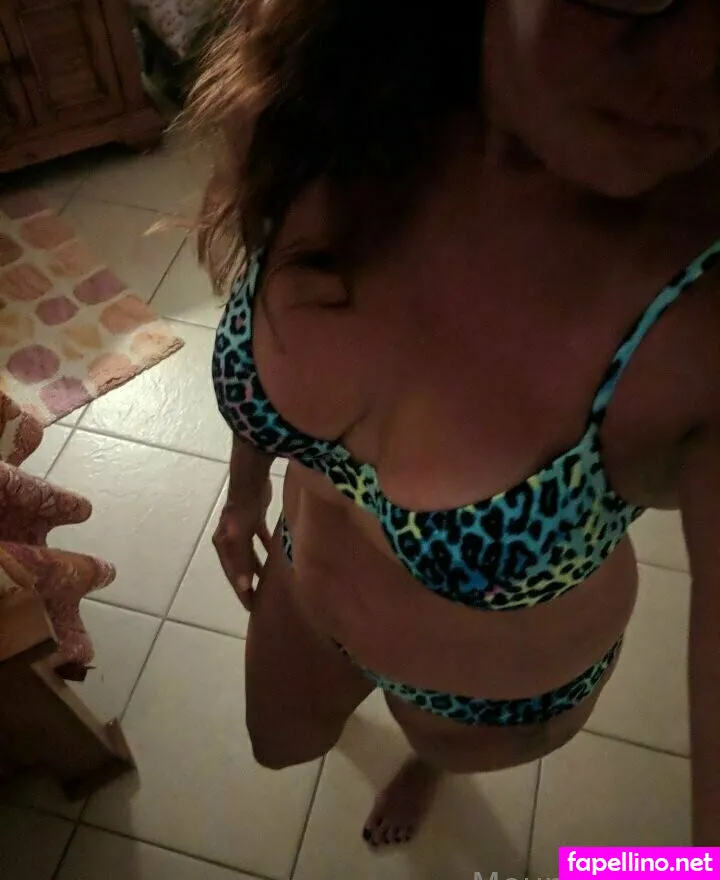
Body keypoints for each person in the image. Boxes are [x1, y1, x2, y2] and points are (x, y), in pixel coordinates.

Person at [190, 0, 720, 848]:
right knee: (275, 744)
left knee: (437, 755)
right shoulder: (312, 101)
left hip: (489, 696)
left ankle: (425, 765)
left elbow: (699, 859)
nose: (695, 69)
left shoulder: (699, 323)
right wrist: (242, 495)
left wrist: (616, 869)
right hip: (304, 584)